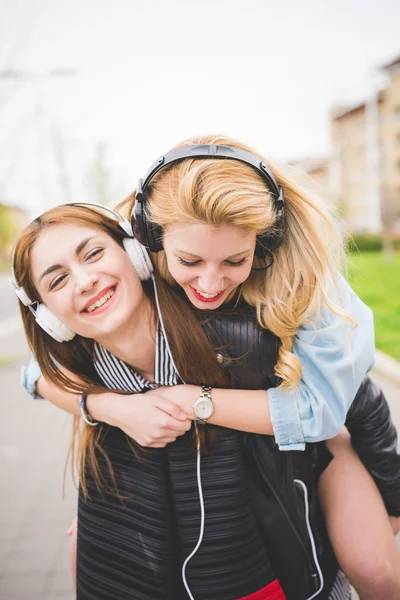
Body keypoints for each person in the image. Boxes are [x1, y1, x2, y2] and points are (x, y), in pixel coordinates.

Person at [13, 141, 400, 599]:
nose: (210, 283)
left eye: (234, 262)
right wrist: (108, 409)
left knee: (375, 570)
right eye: (190, 262)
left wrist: (391, 495)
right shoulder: (99, 342)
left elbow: (353, 398)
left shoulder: (262, 315)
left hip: (315, 455)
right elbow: (36, 375)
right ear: (149, 249)